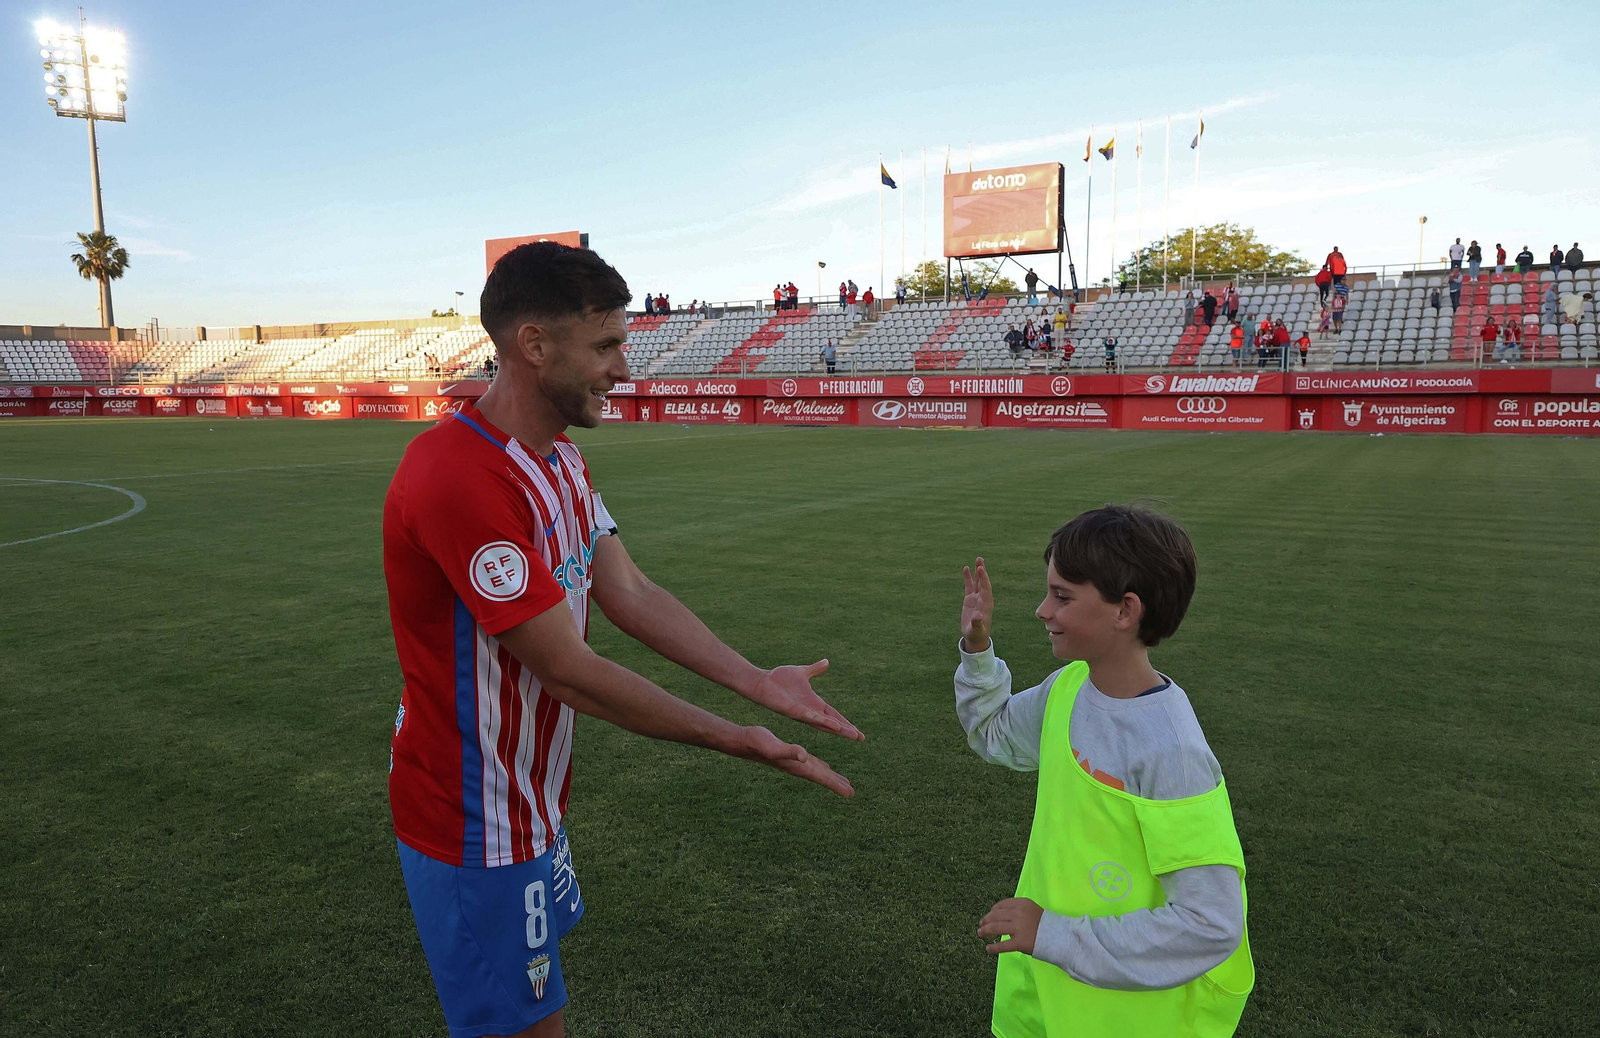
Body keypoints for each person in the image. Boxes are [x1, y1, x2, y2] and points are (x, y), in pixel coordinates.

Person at [382, 242, 861, 1038]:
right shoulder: (454, 476)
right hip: (476, 822)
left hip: (532, 801)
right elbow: (568, 673)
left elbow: (629, 591)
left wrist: (756, 680)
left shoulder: (563, 461)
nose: (624, 366)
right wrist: (737, 738)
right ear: (535, 346)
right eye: (606, 345)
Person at [957, 509, 1252, 1038]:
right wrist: (978, 649)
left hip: (1126, 1019)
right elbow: (995, 734)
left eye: (1063, 596)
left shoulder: (1172, 750)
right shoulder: (1068, 688)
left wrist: (1053, 933)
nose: (1042, 610)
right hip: (1045, 995)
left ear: (1125, 611)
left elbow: (1211, 924)